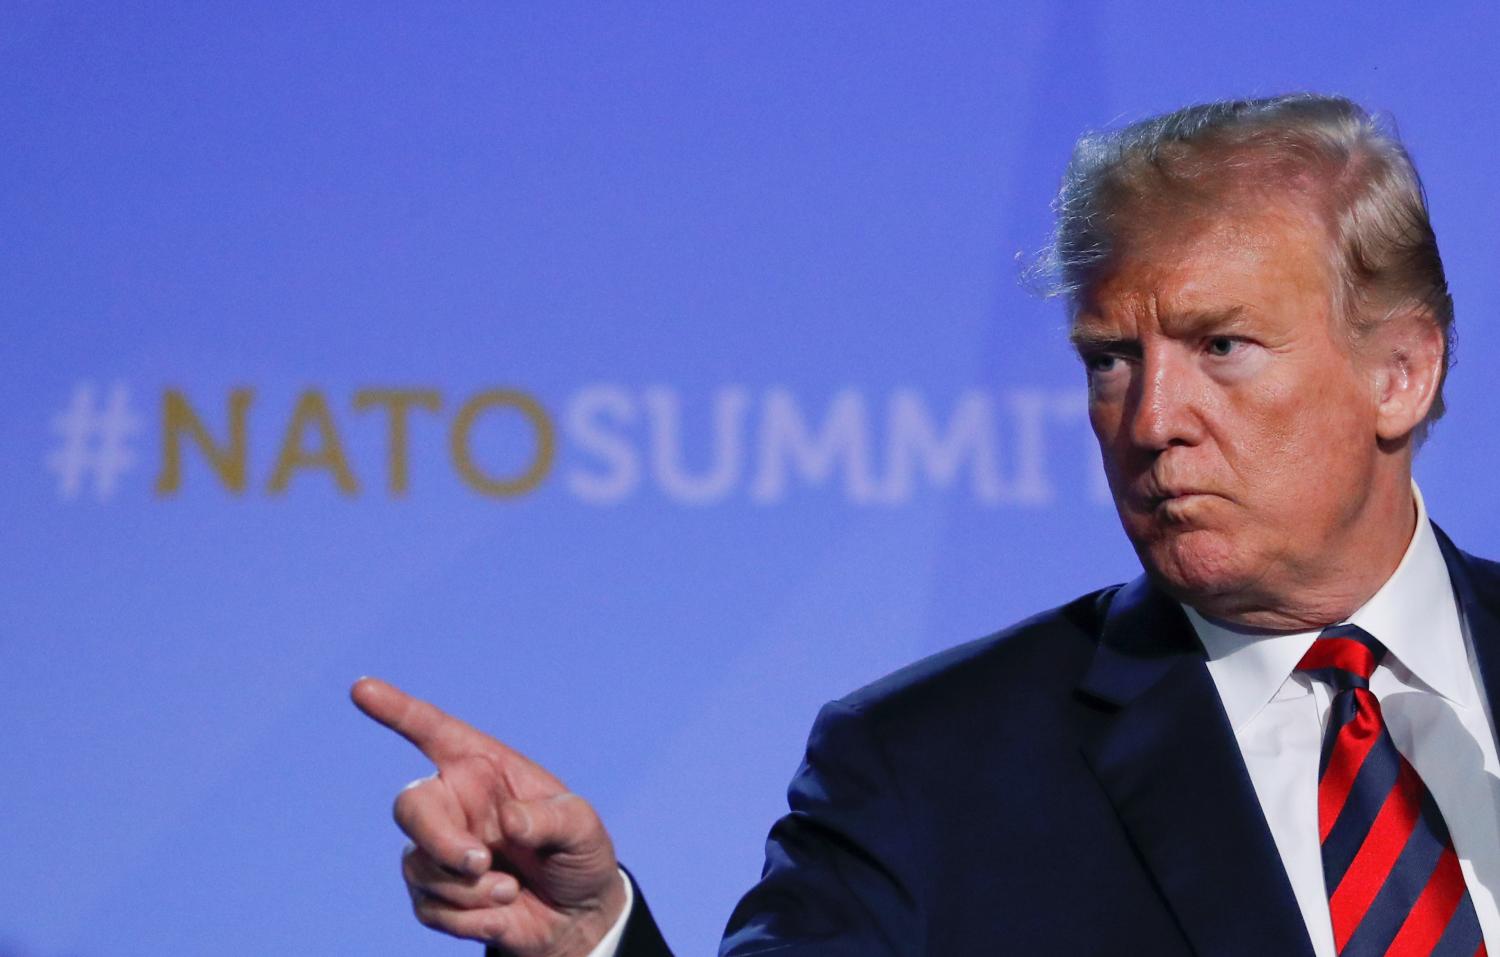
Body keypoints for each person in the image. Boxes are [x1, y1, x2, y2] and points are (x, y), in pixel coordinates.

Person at [352, 93, 1500, 956]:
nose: (1151, 421)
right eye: (1110, 360)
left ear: (1400, 371)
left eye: (1221, 348)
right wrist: (595, 936)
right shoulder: (923, 770)